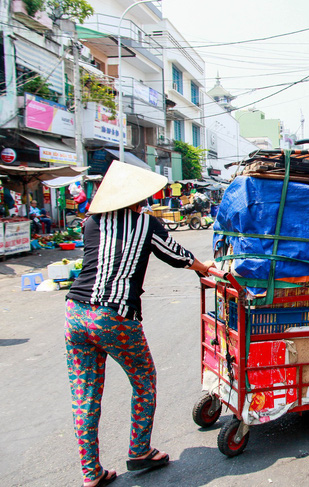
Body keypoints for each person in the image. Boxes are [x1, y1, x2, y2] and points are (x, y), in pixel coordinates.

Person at [64, 161, 214, 487]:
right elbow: (176, 254)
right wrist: (205, 270)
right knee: (144, 382)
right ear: (134, 198)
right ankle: (139, 451)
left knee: (85, 396)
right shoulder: (145, 224)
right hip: (114, 316)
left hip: (76, 314)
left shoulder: (91, 223)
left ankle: (91, 474)